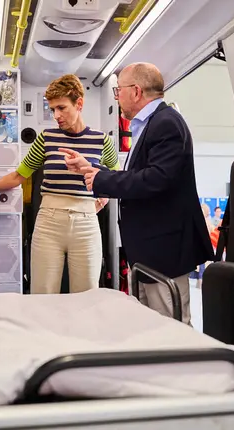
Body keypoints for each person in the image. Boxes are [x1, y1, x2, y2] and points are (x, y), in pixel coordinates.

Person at [60, 62, 213, 324]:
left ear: (136, 91)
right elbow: (138, 173)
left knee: (170, 325)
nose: (117, 97)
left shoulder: (166, 123)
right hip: (148, 249)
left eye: (118, 90)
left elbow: (157, 178)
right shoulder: (149, 124)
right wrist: (91, 169)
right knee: (148, 323)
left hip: (165, 249)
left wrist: (100, 179)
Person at [0, 74, 119, 294]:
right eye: (52, 109)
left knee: (87, 295)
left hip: (86, 223)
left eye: (61, 108)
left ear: (79, 103)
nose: (56, 116)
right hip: (49, 224)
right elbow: (19, 175)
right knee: (42, 294)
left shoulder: (102, 141)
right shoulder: (46, 138)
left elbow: (118, 179)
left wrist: (100, 199)